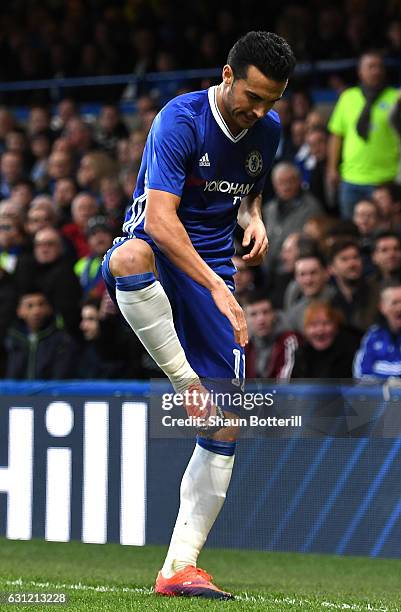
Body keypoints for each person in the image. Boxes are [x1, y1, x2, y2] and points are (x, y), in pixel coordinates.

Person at [101, 31, 295, 599]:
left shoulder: (269, 131)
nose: (258, 111)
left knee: (227, 418)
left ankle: (179, 567)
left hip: (212, 262)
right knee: (131, 256)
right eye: (252, 96)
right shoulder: (180, 120)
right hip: (163, 251)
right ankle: (185, 383)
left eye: (272, 102)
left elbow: (248, 189)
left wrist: (253, 216)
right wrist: (217, 287)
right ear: (228, 75)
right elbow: (161, 219)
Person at [327, 52, 400, 219]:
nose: (376, 71)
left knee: (382, 229)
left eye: (379, 66)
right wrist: (332, 168)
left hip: (385, 180)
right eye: (371, 67)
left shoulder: (395, 98)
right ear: (360, 72)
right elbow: (337, 135)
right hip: (351, 179)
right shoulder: (348, 97)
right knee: (350, 229)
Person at [4, 289, 78, 379]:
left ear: (49, 309)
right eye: (29, 306)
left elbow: (60, 378)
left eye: (41, 304)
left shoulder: (62, 341)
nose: (36, 311)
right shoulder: (10, 340)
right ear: (19, 311)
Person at [290, 301, 361, 378]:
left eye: (326, 323)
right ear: (305, 329)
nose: (320, 331)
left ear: (336, 326)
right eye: (313, 325)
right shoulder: (301, 353)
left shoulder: (351, 350)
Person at [243, 290, 301, 379]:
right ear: (245, 318)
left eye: (265, 312)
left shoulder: (289, 340)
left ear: (274, 314)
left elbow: (283, 384)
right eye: (253, 314)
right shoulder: (245, 345)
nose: (261, 320)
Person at [353, 281, 401, 379]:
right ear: (382, 307)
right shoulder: (373, 334)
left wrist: (377, 367)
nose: (399, 308)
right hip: (378, 394)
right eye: (394, 303)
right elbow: (361, 371)